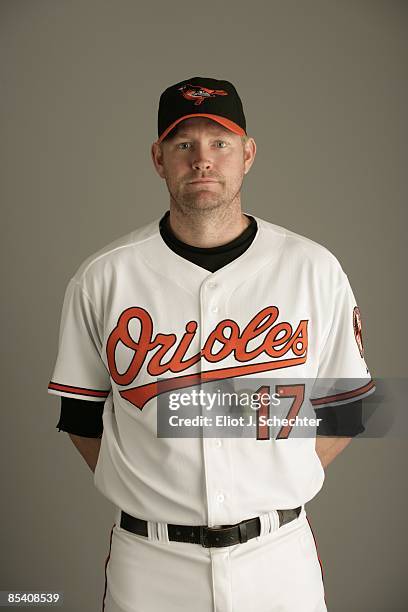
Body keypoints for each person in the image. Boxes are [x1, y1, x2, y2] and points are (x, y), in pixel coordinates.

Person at [48, 76, 375, 612]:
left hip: (278, 559)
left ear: (247, 154)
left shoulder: (313, 268)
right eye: (184, 144)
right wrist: (152, 487)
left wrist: (281, 473)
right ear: (159, 158)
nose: (203, 159)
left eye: (220, 143)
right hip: (150, 564)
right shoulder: (103, 277)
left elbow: (349, 407)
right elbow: (81, 420)